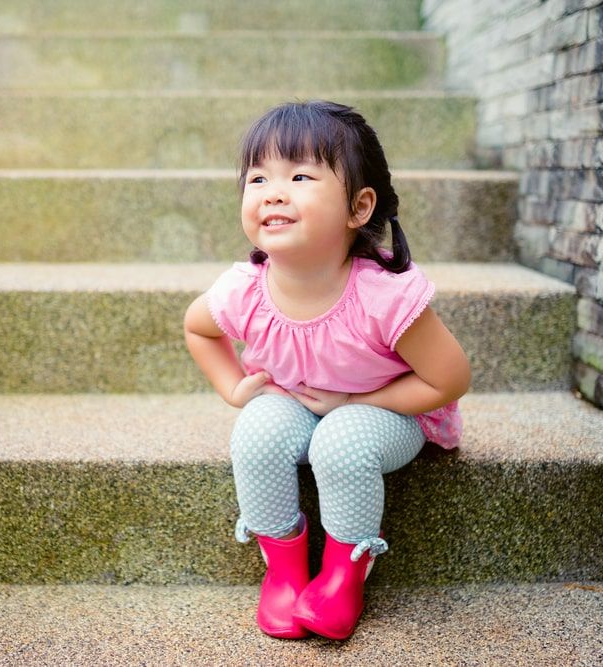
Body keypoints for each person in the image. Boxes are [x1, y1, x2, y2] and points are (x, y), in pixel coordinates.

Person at [183, 100, 471, 641]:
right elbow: (198, 327)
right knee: (257, 431)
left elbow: (448, 379)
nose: (272, 191)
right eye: (257, 178)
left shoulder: (382, 298)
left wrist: (357, 405)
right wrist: (231, 387)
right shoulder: (245, 289)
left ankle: (344, 572)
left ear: (358, 208)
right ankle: (285, 572)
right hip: (292, 399)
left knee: (341, 440)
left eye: (298, 175)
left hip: (387, 411)